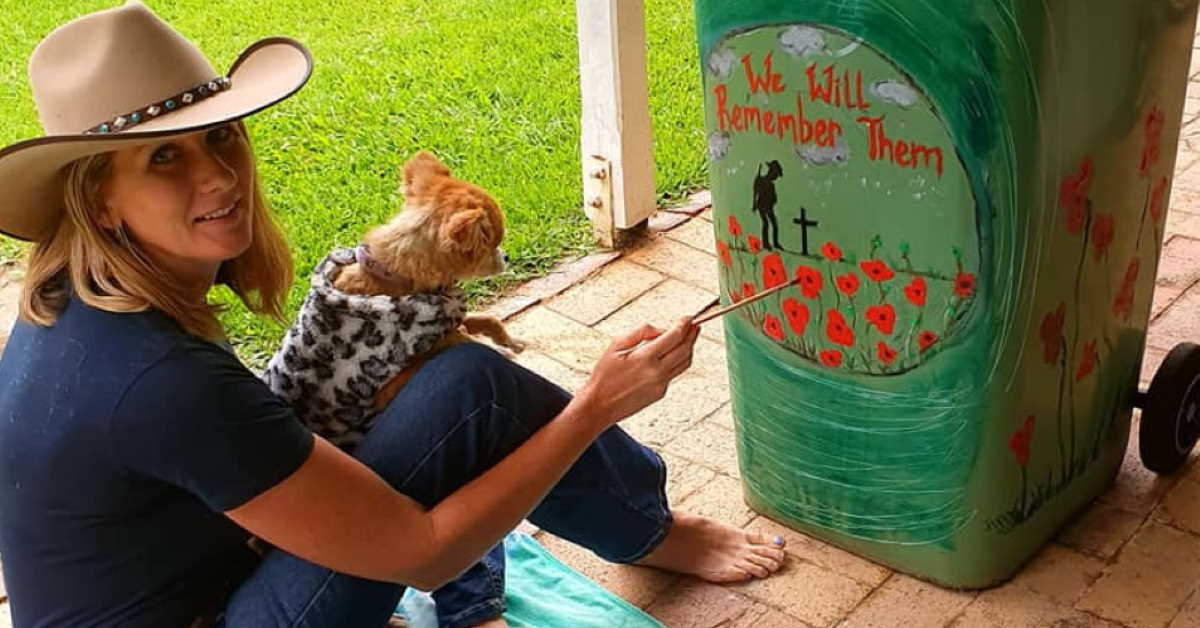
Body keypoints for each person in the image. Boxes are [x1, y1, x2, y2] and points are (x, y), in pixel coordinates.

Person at [0, 3, 787, 627]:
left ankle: (649, 529)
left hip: (211, 564)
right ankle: (652, 529)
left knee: (471, 380)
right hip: (215, 607)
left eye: (223, 136)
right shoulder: (158, 379)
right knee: (459, 467)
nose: (221, 176)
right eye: (166, 156)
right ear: (98, 198)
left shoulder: (74, 302)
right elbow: (423, 552)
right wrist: (595, 406)